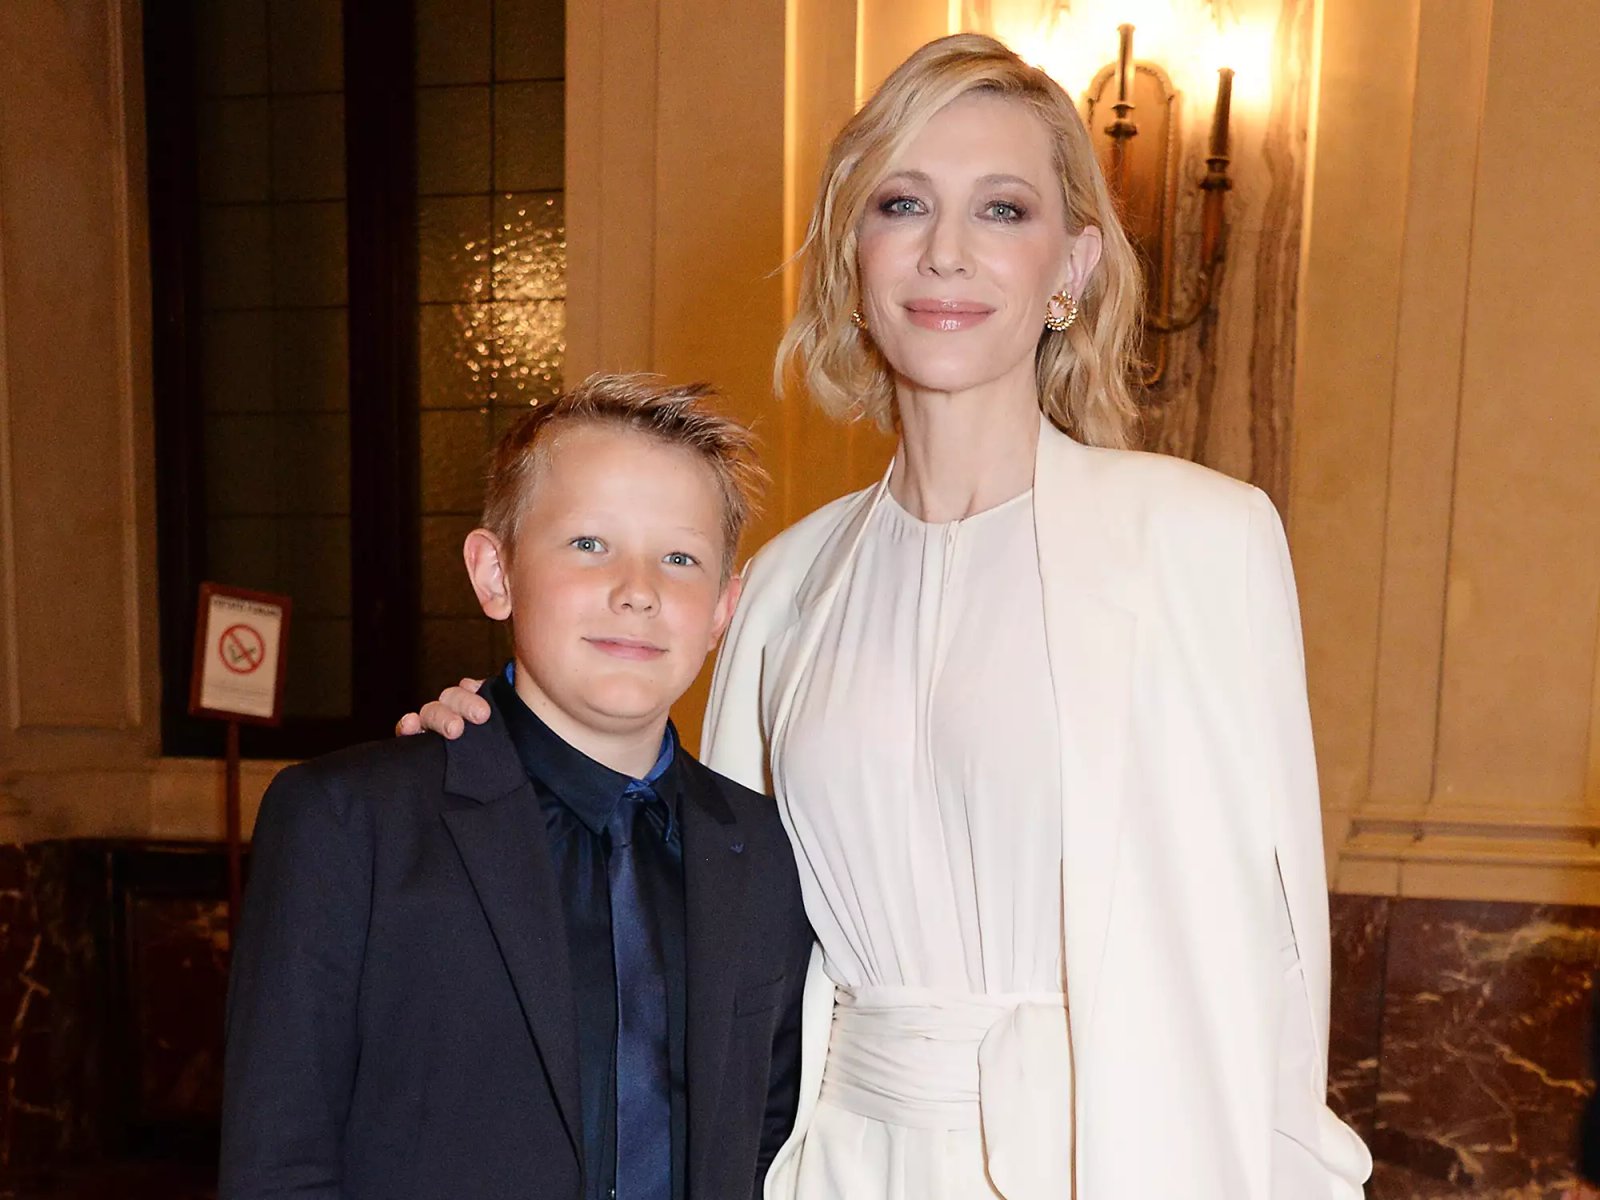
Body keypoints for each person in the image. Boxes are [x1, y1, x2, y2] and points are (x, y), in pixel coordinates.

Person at [406, 34, 1373, 1200]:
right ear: (852, 261)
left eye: (1002, 209)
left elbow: (1272, 954)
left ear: (1070, 267)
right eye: (903, 203)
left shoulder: (1199, 540)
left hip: (1113, 1153)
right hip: (836, 1161)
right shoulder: (785, 582)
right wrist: (499, 749)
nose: (946, 252)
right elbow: (694, 883)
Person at [223, 375, 814, 1200]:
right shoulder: (352, 824)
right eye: (588, 544)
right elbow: (277, 1164)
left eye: (680, 558)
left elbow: (767, 1140)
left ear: (722, 609)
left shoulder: (763, 852)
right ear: (494, 572)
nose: (638, 588)